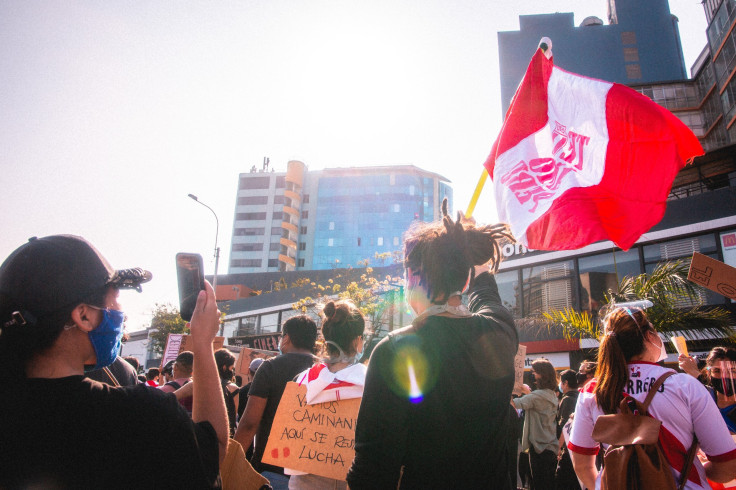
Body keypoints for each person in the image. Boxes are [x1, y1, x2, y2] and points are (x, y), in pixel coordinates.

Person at [0, 234, 227, 488]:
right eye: (116, 297)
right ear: (83, 316)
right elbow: (212, 452)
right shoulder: (142, 416)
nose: (121, 312)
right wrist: (204, 343)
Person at [346, 201, 518, 489]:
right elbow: (486, 292)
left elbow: (372, 472)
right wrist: (470, 252)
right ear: (464, 281)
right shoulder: (500, 331)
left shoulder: (394, 351)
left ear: (413, 276)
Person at [569, 307, 736, 490]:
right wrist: (693, 468)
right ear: (649, 337)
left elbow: (582, 465)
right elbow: (727, 466)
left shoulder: (592, 391)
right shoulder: (685, 386)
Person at [287, 300, 367, 490]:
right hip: (351, 480)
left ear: (325, 339)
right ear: (358, 341)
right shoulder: (371, 383)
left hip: (303, 482)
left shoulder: (302, 380)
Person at [234, 315, 317, 489]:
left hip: (272, 472)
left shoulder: (270, 367)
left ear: (286, 338)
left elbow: (250, 423)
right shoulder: (325, 370)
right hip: (313, 475)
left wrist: (231, 463)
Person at [512, 358, 559, 490]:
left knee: (538, 484)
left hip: (538, 448)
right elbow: (536, 400)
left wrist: (512, 391)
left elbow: (513, 404)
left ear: (542, 375)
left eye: (534, 372)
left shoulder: (536, 396)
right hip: (551, 445)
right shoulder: (551, 394)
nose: (532, 374)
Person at [681, 346, 736, 433]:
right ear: (708, 374)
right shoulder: (701, 398)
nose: (724, 376)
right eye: (717, 371)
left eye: (731, 371)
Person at [554, 369, 580, 490]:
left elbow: (565, 426)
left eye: (561, 383)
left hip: (569, 449)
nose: (560, 386)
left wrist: (558, 448)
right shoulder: (581, 396)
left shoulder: (567, 399)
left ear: (566, 383)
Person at [214, 348, 240, 436]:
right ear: (224, 367)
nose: (232, 371)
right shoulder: (232, 388)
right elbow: (234, 413)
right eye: (231, 368)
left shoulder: (201, 384)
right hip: (225, 434)